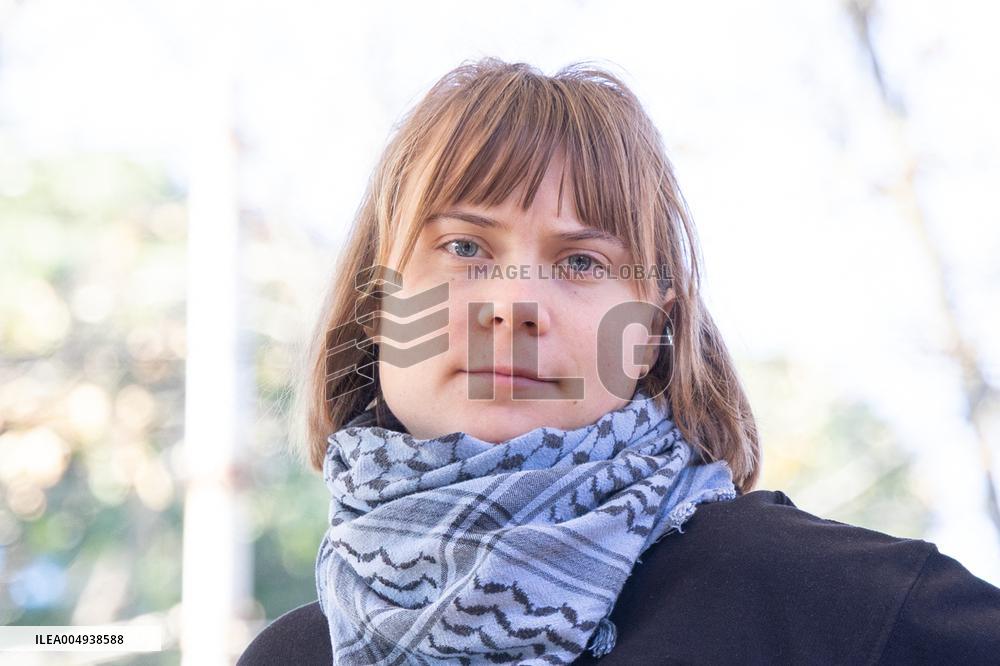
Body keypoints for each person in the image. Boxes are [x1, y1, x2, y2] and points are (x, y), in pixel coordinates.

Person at [239, 58, 1000, 665]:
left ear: (651, 330)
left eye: (580, 263)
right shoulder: (293, 657)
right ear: (378, 302)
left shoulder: (832, 606)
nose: (514, 303)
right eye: (465, 247)